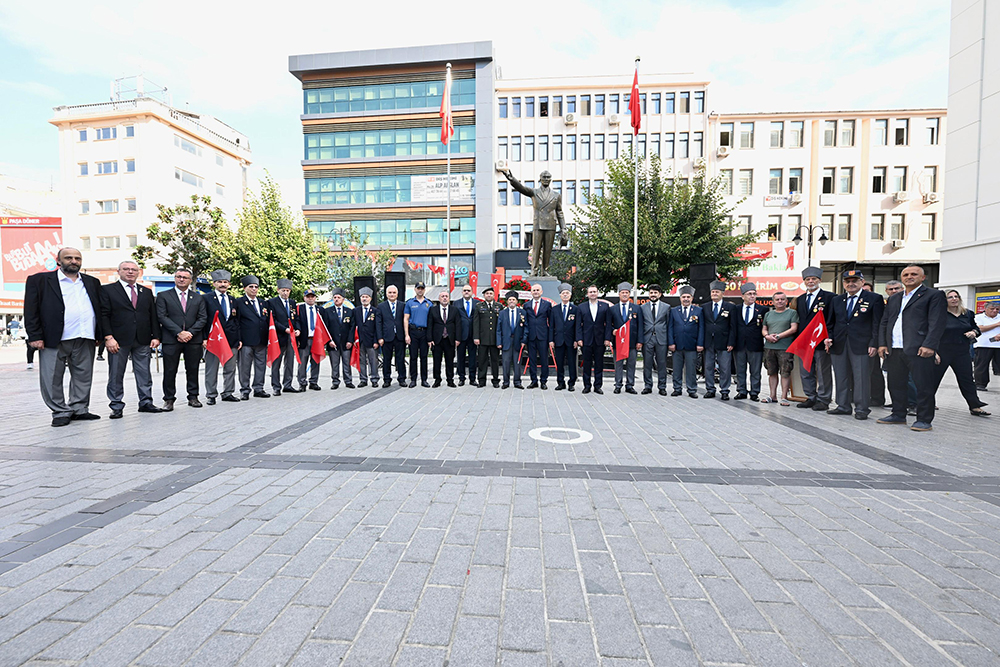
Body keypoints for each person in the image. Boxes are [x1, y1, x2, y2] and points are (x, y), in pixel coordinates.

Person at [23, 247, 104, 426]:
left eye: (77, 258)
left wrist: (100, 333)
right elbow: (31, 310)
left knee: (83, 374)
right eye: (68, 258)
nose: (73, 261)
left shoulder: (92, 282)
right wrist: (35, 335)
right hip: (54, 338)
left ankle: (79, 408)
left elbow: (99, 309)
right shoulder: (40, 280)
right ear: (58, 260)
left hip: (85, 336)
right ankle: (60, 411)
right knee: (52, 376)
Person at [877, 264, 948, 431]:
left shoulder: (933, 295)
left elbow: (937, 322)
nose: (909, 277)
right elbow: (885, 322)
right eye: (906, 274)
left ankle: (924, 419)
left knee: (923, 386)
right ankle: (898, 414)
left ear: (923, 277)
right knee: (895, 384)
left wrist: (930, 345)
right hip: (894, 348)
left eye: (914, 274)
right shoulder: (895, 298)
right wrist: (882, 343)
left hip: (919, 348)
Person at [100, 260, 163, 418]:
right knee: (116, 373)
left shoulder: (145, 291)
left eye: (134, 270)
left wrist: (156, 336)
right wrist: (108, 337)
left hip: (142, 338)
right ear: (118, 271)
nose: (130, 272)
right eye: (126, 269)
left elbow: (152, 316)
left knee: (144, 372)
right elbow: (103, 315)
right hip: (118, 340)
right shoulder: (107, 290)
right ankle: (116, 405)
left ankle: (146, 402)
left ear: (138, 272)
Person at [826, 270, 884, 420]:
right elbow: (831, 323)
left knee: (862, 378)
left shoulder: (874, 298)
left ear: (862, 282)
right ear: (844, 284)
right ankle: (843, 406)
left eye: (855, 281)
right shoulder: (837, 300)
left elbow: (877, 324)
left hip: (862, 345)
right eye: (847, 281)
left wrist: (874, 343)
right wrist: (829, 338)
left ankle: (862, 408)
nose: (851, 284)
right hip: (839, 344)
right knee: (841, 376)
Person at [156, 268, 208, 411]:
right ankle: (168, 399)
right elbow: (162, 316)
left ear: (190, 280)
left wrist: (190, 333)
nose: (181, 279)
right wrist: (179, 332)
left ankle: (193, 397)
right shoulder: (163, 296)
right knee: (170, 370)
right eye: (179, 276)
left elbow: (203, 318)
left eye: (185, 277)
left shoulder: (198, 297)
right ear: (175, 278)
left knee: (192, 369)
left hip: (193, 339)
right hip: (171, 339)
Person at [501, 168, 565, 276]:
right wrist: (513, 180)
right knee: (536, 248)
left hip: (551, 225)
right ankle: (534, 271)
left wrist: (563, 228)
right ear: (540, 179)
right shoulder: (534, 192)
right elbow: (522, 188)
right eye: (544, 177)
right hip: (538, 224)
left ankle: (545, 271)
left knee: (548, 250)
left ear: (551, 179)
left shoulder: (556, 195)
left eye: (548, 177)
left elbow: (559, 212)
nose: (546, 179)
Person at [937, 291, 990, 416]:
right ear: (945, 300)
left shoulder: (967, 313)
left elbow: (976, 328)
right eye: (950, 297)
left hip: (962, 352)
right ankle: (925, 404)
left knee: (967, 380)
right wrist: (933, 351)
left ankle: (975, 406)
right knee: (933, 380)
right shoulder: (939, 314)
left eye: (956, 296)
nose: (954, 299)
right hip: (942, 351)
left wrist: (974, 332)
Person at [795, 266, 835, 411]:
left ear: (820, 280)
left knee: (823, 372)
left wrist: (829, 337)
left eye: (813, 279)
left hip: (821, 341)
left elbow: (831, 320)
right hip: (805, 342)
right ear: (804, 281)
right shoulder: (799, 299)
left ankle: (824, 399)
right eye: (808, 279)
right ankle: (811, 396)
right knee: (806, 371)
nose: (811, 281)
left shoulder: (830, 297)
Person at [202, 269, 241, 405]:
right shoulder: (206, 298)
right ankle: (211, 395)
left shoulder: (232, 300)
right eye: (220, 282)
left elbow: (237, 321)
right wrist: (204, 338)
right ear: (214, 284)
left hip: (231, 340)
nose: (223, 284)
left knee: (230, 368)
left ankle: (228, 392)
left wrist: (239, 339)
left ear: (229, 284)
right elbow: (203, 319)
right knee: (211, 369)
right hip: (213, 340)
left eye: (225, 282)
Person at [235, 275, 271, 400]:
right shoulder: (239, 302)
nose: (254, 289)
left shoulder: (263, 303)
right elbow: (237, 322)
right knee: (244, 367)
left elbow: (266, 321)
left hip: (261, 340)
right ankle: (245, 390)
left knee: (260, 365)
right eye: (251, 287)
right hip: (246, 341)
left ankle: (259, 388)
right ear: (245, 288)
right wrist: (238, 339)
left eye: (256, 287)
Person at [761, 291, 799, 405]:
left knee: (785, 372)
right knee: (771, 372)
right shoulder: (769, 314)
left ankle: (784, 397)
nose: (780, 301)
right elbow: (764, 329)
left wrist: (778, 336)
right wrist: (767, 336)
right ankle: (772, 395)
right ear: (773, 302)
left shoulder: (792, 313)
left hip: (785, 347)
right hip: (769, 346)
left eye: (782, 299)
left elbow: (793, 329)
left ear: (786, 301)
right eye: (777, 300)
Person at [702, 280, 737, 400]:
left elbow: (733, 327)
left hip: (724, 342)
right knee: (708, 367)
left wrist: (731, 342)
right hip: (708, 342)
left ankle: (725, 390)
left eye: (717, 292)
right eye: (712, 292)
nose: (714, 294)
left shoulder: (730, 307)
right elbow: (702, 326)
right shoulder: (705, 307)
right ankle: (710, 389)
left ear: (722, 293)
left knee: (725, 367)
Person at [265, 279, 300, 395]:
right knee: (276, 363)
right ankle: (276, 386)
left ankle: (288, 384)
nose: (285, 293)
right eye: (283, 290)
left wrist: (298, 329)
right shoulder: (272, 302)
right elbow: (272, 320)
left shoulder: (292, 303)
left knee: (289, 362)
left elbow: (296, 318)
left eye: (288, 291)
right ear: (278, 290)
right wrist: (284, 329)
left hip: (291, 338)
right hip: (278, 337)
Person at [668, 285, 704, 398]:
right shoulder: (674, 311)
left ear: (692, 298)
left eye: (688, 297)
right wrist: (671, 343)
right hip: (677, 345)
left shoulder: (699, 311)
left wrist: (700, 343)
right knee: (677, 368)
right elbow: (670, 328)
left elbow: (701, 328)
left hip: (692, 345)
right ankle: (677, 388)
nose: (686, 299)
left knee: (691, 369)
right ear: (680, 298)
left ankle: (692, 389)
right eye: (684, 297)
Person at [734, 283, 767, 402]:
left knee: (755, 371)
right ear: (743, 296)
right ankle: (741, 391)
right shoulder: (736, 309)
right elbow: (733, 327)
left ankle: (754, 392)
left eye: (754, 294)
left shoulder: (763, 309)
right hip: (739, 345)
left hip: (756, 344)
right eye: (749, 294)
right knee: (740, 370)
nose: (752, 296)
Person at [576, 285, 611, 395]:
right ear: (587, 294)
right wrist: (579, 338)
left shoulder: (605, 307)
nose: (592, 293)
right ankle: (587, 386)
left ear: (597, 293)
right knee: (586, 364)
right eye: (590, 292)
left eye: (594, 291)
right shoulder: (581, 307)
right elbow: (578, 325)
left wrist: (607, 338)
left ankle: (598, 386)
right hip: (586, 340)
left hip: (600, 340)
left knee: (599, 364)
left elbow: (608, 324)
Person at [609, 282, 643, 394]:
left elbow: (640, 326)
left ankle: (630, 385)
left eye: (627, 293)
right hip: (618, 342)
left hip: (632, 342)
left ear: (629, 294)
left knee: (631, 364)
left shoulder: (637, 308)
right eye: (622, 293)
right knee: (618, 364)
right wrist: (612, 330)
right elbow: (609, 324)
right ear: (619, 294)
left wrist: (639, 341)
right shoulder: (613, 309)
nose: (624, 294)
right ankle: (618, 384)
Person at [639, 283, 669, 396]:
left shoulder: (666, 307)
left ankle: (662, 387)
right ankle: (648, 386)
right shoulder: (643, 307)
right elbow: (641, 324)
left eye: (655, 293)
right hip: (647, 339)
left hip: (662, 338)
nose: (653, 295)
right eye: (651, 293)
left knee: (662, 363)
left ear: (660, 294)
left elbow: (668, 324)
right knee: (647, 364)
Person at [294, 288, 326, 391]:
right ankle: (302, 383)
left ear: (315, 298)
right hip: (304, 339)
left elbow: (325, 325)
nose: (310, 299)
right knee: (302, 362)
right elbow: (297, 322)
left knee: (316, 362)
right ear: (304, 298)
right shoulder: (299, 308)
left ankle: (314, 382)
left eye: (312, 297)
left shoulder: (320, 310)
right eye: (308, 297)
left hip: (316, 340)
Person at [523, 283, 553, 389]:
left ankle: (543, 381)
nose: (535, 292)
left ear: (541, 292)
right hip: (531, 337)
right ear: (531, 292)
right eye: (534, 290)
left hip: (543, 336)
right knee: (532, 360)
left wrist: (550, 338)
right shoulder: (526, 305)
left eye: (537, 290)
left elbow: (551, 322)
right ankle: (533, 381)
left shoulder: (547, 304)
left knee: (544, 360)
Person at [376, 284, 407, 387]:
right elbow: (379, 323)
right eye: (390, 292)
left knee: (400, 358)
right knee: (386, 359)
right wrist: (380, 337)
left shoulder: (403, 305)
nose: (392, 294)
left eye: (394, 292)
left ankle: (402, 378)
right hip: (386, 337)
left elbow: (406, 321)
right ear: (386, 294)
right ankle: (387, 379)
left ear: (397, 294)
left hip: (399, 336)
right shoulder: (381, 306)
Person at [429, 288, 460, 387]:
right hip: (437, 340)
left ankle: (450, 380)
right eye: (442, 296)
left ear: (449, 298)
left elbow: (458, 325)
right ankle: (437, 380)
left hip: (450, 339)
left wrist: (457, 339)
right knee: (437, 361)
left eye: (446, 296)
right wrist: (430, 339)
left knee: (449, 361)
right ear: (439, 298)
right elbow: (430, 325)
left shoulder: (454, 310)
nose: (444, 298)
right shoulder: (433, 310)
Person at [863, 281, 887, 407]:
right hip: (857, 343)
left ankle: (877, 398)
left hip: (872, 342)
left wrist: (876, 342)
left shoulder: (875, 301)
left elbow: (878, 323)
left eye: (866, 290)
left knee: (874, 372)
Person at [404, 281, 432, 388]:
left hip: (424, 332)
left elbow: (431, 322)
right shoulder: (410, 303)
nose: (420, 290)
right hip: (413, 332)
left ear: (424, 290)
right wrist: (407, 335)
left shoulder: (429, 303)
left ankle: (424, 380)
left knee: (424, 357)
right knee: (413, 357)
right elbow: (406, 319)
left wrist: (430, 337)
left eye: (422, 288)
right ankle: (413, 379)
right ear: (415, 289)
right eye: (418, 288)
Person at [551, 283, 579, 392]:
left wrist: (577, 339)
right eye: (563, 293)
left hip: (571, 341)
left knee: (572, 363)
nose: (565, 295)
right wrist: (551, 340)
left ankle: (572, 383)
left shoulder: (575, 309)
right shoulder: (555, 309)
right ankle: (560, 383)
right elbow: (551, 327)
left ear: (570, 295)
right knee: (560, 363)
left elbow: (577, 326)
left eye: (567, 293)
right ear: (560, 295)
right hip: (558, 340)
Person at [473, 286, 501, 387]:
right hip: (482, 338)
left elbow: (501, 324)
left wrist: (500, 339)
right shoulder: (479, 306)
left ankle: (496, 380)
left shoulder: (499, 306)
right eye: (487, 294)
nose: (489, 295)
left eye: (491, 294)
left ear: (494, 295)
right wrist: (476, 337)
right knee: (482, 360)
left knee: (495, 361)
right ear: (484, 295)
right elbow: (476, 323)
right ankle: (481, 380)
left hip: (494, 339)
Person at [498, 291, 526, 389]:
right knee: (505, 363)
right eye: (510, 300)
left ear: (517, 301)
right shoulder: (502, 313)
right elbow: (498, 329)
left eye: (513, 299)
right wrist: (499, 342)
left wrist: (524, 341)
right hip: (506, 342)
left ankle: (517, 382)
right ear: (507, 301)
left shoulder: (522, 312)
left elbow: (526, 328)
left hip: (518, 342)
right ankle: (505, 382)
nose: (511, 301)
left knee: (517, 362)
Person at [327, 288, 355, 389]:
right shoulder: (328, 311)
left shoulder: (349, 311)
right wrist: (329, 340)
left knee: (346, 363)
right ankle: (335, 381)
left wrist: (350, 340)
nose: (336, 299)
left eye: (339, 297)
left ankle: (348, 381)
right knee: (334, 364)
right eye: (335, 297)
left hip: (345, 342)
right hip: (333, 342)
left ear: (343, 299)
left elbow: (352, 327)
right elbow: (325, 328)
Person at [353, 287, 379, 388]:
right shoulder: (356, 311)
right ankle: (363, 379)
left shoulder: (375, 311)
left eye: (366, 297)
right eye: (362, 297)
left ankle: (374, 379)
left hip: (372, 340)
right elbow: (353, 326)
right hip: (360, 340)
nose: (364, 299)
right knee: (361, 361)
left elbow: (377, 327)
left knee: (373, 360)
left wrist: (376, 340)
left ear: (370, 299)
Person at [974, 301, 1000, 391]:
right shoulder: (978, 317)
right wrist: (996, 324)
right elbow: (980, 328)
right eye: (992, 309)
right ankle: (980, 384)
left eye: (997, 309)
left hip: (998, 345)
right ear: (986, 309)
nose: (995, 311)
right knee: (982, 365)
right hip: (983, 344)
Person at [456, 284, 478, 386]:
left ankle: (472, 378)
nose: (466, 292)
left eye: (468, 290)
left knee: (473, 358)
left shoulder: (477, 304)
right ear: (462, 292)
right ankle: (461, 378)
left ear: (472, 292)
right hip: (461, 335)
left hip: (473, 335)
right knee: (460, 357)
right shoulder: (456, 304)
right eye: (464, 290)